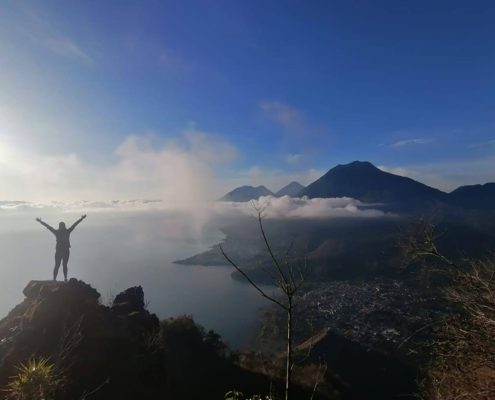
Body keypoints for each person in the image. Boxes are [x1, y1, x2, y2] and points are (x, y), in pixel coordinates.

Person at [35, 215, 87, 282]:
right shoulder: (66, 231)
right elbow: (74, 224)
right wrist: (81, 218)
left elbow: (48, 226)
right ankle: (60, 278)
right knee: (61, 265)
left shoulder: (58, 232)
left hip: (61, 251)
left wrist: (40, 221)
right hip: (64, 251)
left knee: (60, 265)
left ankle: (57, 279)